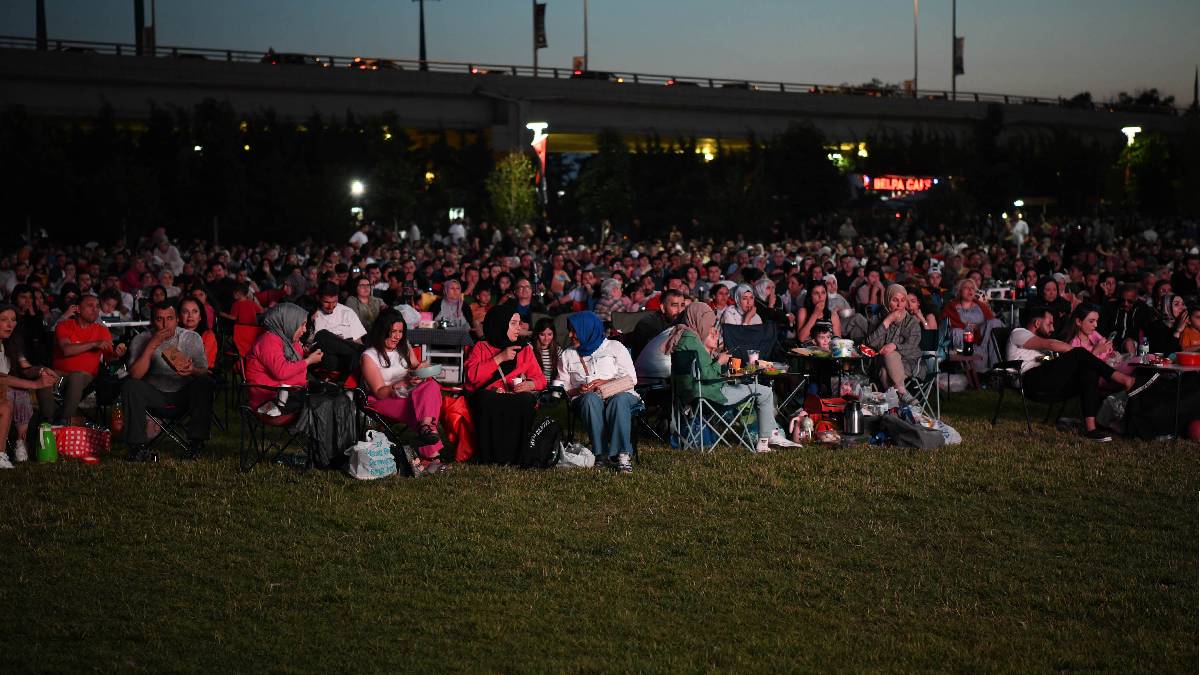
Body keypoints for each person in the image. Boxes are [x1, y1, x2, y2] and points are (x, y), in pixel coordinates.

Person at [665, 302, 799, 452]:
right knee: (765, 391)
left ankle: (769, 436)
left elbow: (699, 370)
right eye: (708, 323)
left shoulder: (682, 336)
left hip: (690, 393)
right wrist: (720, 362)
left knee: (754, 388)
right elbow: (707, 374)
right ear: (698, 319)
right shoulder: (692, 340)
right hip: (709, 394)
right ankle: (766, 439)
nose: (709, 327)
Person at [1007, 306, 1134, 442]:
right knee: (1080, 354)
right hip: (1028, 380)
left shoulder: (1034, 345)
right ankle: (1124, 380)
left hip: (1045, 381)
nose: (1053, 328)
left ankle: (1091, 429)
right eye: (1049, 323)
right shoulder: (1019, 333)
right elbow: (1049, 344)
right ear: (1037, 323)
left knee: (1088, 369)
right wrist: (1080, 354)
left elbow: (1044, 359)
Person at [122, 300, 215, 461]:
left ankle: (196, 444)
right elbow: (135, 375)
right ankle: (137, 447)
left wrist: (192, 370)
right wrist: (151, 345)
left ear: (177, 319)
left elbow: (204, 371)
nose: (165, 324)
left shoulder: (191, 338)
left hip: (183, 393)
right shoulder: (141, 339)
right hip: (154, 394)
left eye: (170, 318)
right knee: (131, 385)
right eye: (159, 319)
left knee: (204, 383)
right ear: (152, 321)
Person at [360, 311, 446, 470]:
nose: (397, 336)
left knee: (431, 385)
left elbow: (416, 367)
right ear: (382, 331)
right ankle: (433, 457)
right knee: (419, 406)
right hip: (384, 399)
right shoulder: (369, 356)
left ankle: (425, 428)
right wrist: (405, 382)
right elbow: (379, 391)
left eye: (400, 332)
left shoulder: (403, 346)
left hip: (409, 392)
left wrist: (424, 369)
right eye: (393, 332)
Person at [556, 312, 641, 473]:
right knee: (589, 399)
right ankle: (600, 453)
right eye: (570, 330)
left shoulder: (614, 347)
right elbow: (563, 388)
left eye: (574, 331)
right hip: (587, 398)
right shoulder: (568, 355)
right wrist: (578, 389)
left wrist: (606, 382)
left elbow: (632, 378)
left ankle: (622, 455)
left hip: (619, 393)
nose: (570, 335)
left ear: (587, 329)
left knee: (619, 400)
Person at [463, 306, 546, 465]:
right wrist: (500, 357)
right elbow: (472, 376)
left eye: (519, 323)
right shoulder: (481, 347)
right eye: (513, 324)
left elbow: (541, 380)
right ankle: (488, 456)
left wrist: (529, 384)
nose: (519, 328)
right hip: (489, 396)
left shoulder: (524, 349)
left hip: (514, 395)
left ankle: (518, 456)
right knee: (485, 398)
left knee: (525, 400)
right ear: (500, 324)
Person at [51, 294, 126, 424]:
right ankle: (48, 421)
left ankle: (62, 422)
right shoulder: (64, 325)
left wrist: (116, 354)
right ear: (78, 309)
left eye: (97, 306)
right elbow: (67, 350)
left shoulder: (102, 330)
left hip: (85, 377)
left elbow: (110, 360)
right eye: (90, 306)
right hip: (59, 375)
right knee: (44, 379)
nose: (95, 309)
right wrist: (94, 344)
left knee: (77, 376)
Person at [0, 304, 59, 466]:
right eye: (4, 320)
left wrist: (41, 370)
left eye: (13, 320)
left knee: (19, 392)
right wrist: (35, 384)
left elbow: (25, 368)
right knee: (11, 393)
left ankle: (20, 442)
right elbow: (2, 378)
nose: (10, 324)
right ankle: (2, 451)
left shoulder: (11, 342)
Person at [243, 303, 323, 414]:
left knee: (332, 396)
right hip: (268, 398)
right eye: (302, 325)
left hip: (290, 392)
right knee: (321, 404)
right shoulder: (268, 341)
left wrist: (308, 355)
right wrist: (308, 361)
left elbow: (299, 372)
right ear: (289, 322)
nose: (305, 330)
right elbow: (281, 372)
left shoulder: (291, 343)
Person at [865, 285, 923, 404]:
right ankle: (902, 393)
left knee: (885, 369)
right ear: (887, 300)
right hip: (880, 361)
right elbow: (870, 344)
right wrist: (888, 320)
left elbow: (912, 347)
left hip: (908, 362)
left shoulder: (911, 322)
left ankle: (896, 402)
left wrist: (895, 346)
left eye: (903, 300)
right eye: (895, 300)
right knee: (885, 364)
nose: (899, 305)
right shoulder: (877, 319)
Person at [941, 277, 1005, 368]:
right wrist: (968, 328)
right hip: (963, 339)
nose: (970, 290)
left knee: (995, 322)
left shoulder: (981, 305)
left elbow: (990, 320)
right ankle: (971, 359)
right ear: (959, 291)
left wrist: (978, 328)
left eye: (972, 288)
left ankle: (995, 366)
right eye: (966, 288)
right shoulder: (951, 306)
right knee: (957, 331)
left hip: (982, 338)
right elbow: (945, 325)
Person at [311, 281, 367, 375]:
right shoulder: (312, 314)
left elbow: (358, 340)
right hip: (325, 356)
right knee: (322, 336)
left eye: (334, 302)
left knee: (354, 355)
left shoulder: (347, 312)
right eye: (326, 302)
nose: (331, 306)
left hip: (349, 356)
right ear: (318, 298)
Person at [627, 288, 686, 360]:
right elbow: (652, 355)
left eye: (682, 305)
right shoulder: (648, 325)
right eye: (674, 305)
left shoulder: (683, 321)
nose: (680, 310)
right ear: (663, 308)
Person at [179, 296, 218, 370]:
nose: (190, 315)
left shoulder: (208, 335)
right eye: (185, 311)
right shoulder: (174, 334)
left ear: (200, 316)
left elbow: (199, 360)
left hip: (202, 374)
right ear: (179, 316)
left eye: (194, 311)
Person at [530, 317, 560, 383]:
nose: (546, 338)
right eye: (542, 334)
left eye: (549, 334)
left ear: (553, 334)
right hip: (534, 385)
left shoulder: (557, 349)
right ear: (537, 334)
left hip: (552, 386)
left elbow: (562, 372)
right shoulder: (530, 348)